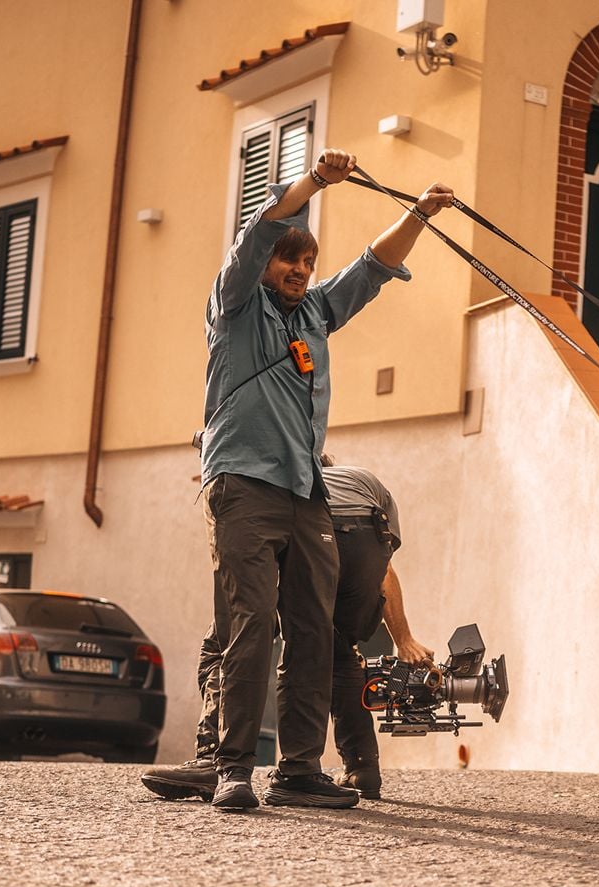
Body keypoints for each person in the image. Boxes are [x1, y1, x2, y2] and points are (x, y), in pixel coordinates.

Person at [181, 146, 452, 812]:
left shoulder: (315, 314)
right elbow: (256, 232)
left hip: (307, 492)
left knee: (314, 629)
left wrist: (419, 212)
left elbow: (374, 266)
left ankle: (299, 769)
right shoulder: (236, 305)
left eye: (307, 262)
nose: (300, 270)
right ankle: (233, 767)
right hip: (242, 485)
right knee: (250, 626)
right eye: (289, 260)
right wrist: (312, 183)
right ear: (267, 263)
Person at [145, 460, 431, 803]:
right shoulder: (362, 478)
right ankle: (360, 768)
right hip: (366, 541)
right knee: (336, 647)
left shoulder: (283, 483)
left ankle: (212, 759)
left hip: (310, 531)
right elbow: (384, 570)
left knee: (229, 641)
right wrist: (404, 639)